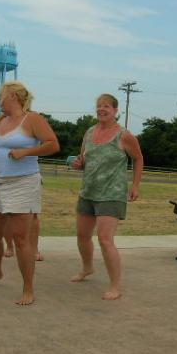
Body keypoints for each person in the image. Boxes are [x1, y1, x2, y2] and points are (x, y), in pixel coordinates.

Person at [0, 81, 59, 305]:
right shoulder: (3, 121)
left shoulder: (32, 118)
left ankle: (28, 288)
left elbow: (53, 144)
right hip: (0, 182)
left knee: (21, 239)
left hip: (24, 183)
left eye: (0, 95)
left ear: (12, 95)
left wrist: (27, 152)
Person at [71, 93, 143, 300]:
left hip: (112, 194)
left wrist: (135, 185)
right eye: (99, 106)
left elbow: (138, 159)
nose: (102, 109)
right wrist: (78, 164)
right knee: (82, 236)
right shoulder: (89, 132)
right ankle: (87, 268)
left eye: (106, 107)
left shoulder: (124, 135)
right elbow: (83, 159)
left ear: (115, 111)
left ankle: (115, 286)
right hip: (88, 191)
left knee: (105, 239)